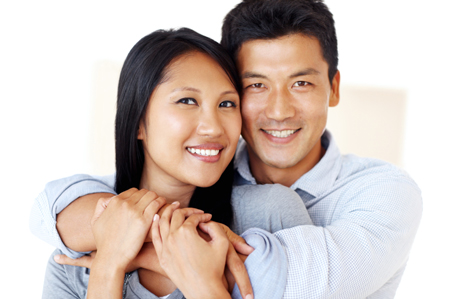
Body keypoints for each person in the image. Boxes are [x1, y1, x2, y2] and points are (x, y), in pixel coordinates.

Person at [31, 0, 422, 298]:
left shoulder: (374, 194)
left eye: (301, 84)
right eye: (255, 86)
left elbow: (283, 275)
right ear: (137, 122)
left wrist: (128, 249)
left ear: (334, 88)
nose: (280, 110)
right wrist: (110, 255)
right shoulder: (79, 251)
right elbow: (55, 206)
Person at [37, 27, 312, 299]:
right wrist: (109, 266)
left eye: (227, 104)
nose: (213, 128)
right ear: (138, 124)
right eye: (187, 101)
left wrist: (201, 282)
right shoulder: (71, 264)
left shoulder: (273, 214)